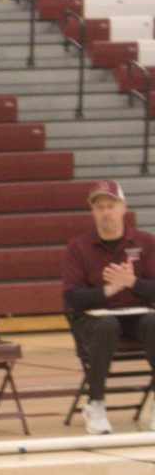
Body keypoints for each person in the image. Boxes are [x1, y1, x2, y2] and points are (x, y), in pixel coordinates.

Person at [62, 179, 155, 434]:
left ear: (123, 207)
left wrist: (132, 283)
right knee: (107, 325)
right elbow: (71, 297)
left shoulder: (146, 242)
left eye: (110, 205)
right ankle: (96, 403)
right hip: (93, 320)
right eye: (99, 207)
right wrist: (107, 291)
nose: (105, 212)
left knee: (153, 323)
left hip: (136, 317)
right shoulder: (78, 247)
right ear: (93, 212)